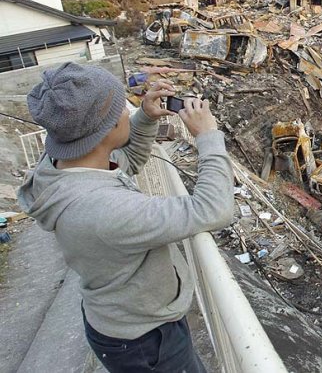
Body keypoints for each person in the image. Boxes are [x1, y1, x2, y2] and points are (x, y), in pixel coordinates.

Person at [17, 62, 234, 373]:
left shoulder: (60, 165)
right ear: (105, 129)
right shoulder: (103, 209)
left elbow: (125, 159)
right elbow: (213, 209)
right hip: (145, 341)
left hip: (122, 321)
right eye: (121, 106)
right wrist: (209, 136)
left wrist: (144, 117)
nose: (127, 110)